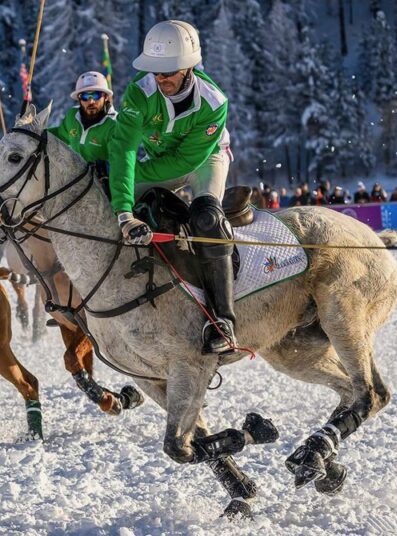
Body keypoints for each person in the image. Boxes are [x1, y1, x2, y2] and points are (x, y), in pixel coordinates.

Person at [108, 20, 237, 354]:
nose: (160, 78)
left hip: (204, 161)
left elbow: (184, 163)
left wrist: (137, 173)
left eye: (168, 71)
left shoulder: (214, 102)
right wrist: (123, 213)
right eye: (155, 71)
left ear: (189, 67)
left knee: (207, 219)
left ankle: (223, 321)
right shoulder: (140, 91)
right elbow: (123, 149)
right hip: (157, 159)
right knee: (104, 195)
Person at [48, 71, 117, 185]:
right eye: (85, 96)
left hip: (106, 186)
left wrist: (105, 167)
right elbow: (60, 135)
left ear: (105, 97)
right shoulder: (72, 116)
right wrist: (33, 132)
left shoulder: (115, 125)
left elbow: (121, 162)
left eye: (96, 95)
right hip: (77, 182)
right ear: (79, 98)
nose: (91, 101)